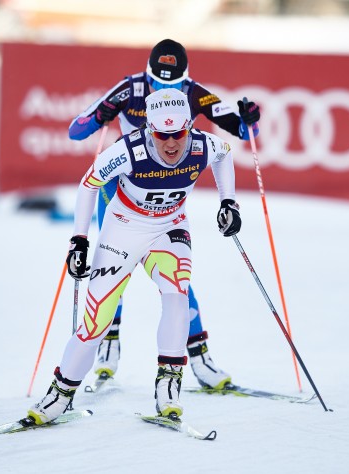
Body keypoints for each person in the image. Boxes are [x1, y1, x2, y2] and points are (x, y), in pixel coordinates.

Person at [28, 88, 242, 424]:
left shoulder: (203, 144)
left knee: (177, 295)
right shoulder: (127, 151)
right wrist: (79, 241)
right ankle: (60, 393)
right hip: (122, 233)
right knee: (96, 323)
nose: (171, 144)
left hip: (169, 230)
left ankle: (168, 386)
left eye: (178, 134)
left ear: (189, 127)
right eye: (162, 135)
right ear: (148, 130)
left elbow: (225, 153)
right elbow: (88, 184)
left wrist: (228, 201)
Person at [67, 38, 260, 390]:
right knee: (110, 275)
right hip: (118, 194)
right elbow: (76, 130)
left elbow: (244, 133)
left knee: (177, 283)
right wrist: (100, 114)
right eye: (159, 83)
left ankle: (201, 361)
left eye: (174, 85)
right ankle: (108, 350)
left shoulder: (194, 93)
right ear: (148, 73)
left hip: (166, 202)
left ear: (185, 78)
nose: (165, 91)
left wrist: (250, 119)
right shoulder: (130, 87)